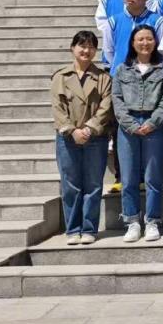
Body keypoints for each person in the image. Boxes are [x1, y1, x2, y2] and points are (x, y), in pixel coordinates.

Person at [112, 25, 163, 243]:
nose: (145, 43)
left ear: (155, 42)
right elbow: (117, 100)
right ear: (133, 43)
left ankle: (152, 221)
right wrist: (130, 124)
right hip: (127, 126)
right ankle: (132, 222)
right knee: (128, 178)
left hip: (154, 126)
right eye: (140, 39)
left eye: (149, 39)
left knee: (153, 177)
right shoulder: (122, 70)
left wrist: (152, 122)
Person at [51, 31, 114, 245]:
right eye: (82, 46)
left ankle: (89, 229)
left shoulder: (103, 77)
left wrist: (88, 128)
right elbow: (58, 109)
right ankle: (73, 229)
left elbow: (106, 107)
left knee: (93, 184)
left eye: (91, 47)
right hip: (68, 138)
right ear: (73, 48)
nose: (86, 51)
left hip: (95, 138)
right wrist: (72, 131)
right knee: (70, 185)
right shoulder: (61, 77)